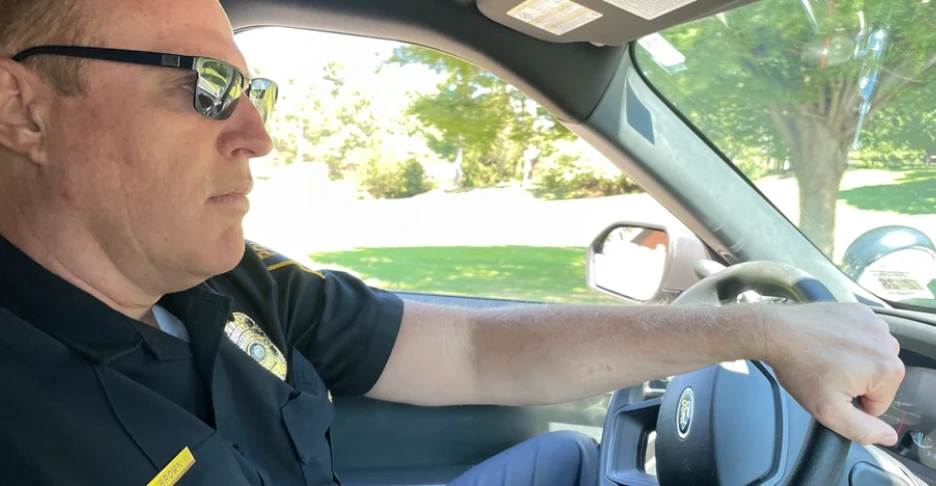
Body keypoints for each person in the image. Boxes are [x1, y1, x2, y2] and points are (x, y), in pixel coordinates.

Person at [0, 0, 904, 484]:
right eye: (204, 85)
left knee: (571, 461)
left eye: (252, 90)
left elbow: (470, 349)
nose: (256, 134)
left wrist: (756, 333)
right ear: (22, 109)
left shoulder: (239, 281)